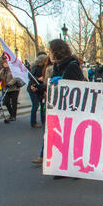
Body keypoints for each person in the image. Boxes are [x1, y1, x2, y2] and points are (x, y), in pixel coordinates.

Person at [48, 39, 85, 178]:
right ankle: (64, 167)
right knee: (62, 138)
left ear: (57, 51)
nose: (49, 54)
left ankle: (77, 167)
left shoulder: (72, 65)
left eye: (50, 51)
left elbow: (79, 88)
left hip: (72, 109)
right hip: (59, 108)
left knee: (73, 138)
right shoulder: (56, 67)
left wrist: (63, 82)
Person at [0, 59, 24, 123]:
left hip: (14, 88)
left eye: (6, 63)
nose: (5, 64)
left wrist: (10, 83)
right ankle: (11, 114)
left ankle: (13, 116)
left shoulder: (13, 69)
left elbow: (15, 78)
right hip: (6, 88)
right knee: (6, 102)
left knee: (14, 102)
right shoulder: (2, 71)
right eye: (4, 63)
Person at [28, 52, 47, 128]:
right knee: (35, 105)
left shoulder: (44, 67)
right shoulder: (35, 66)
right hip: (33, 88)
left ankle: (43, 120)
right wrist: (38, 79)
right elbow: (31, 76)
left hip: (40, 88)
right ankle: (33, 122)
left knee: (42, 105)